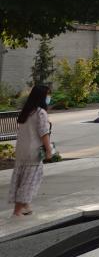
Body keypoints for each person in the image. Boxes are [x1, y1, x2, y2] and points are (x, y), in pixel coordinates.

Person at [8, 84, 53, 218]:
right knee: (30, 181)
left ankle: (26, 206)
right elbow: (44, 133)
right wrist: (49, 150)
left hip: (22, 150)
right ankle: (17, 210)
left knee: (21, 178)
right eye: (48, 95)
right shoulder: (40, 113)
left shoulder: (27, 111)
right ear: (42, 97)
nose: (49, 98)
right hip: (33, 152)